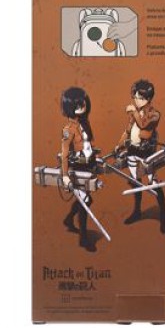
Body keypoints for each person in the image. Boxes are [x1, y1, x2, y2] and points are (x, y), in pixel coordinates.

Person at [115, 79, 165, 233]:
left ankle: (163, 216)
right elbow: (127, 131)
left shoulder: (154, 114)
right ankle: (137, 211)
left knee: (154, 183)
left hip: (147, 154)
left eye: (140, 98)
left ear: (148, 98)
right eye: (135, 97)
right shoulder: (135, 114)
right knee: (135, 182)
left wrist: (133, 112)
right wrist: (119, 144)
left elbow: (143, 125)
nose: (137, 101)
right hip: (132, 151)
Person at [60, 86, 97, 252]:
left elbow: (88, 144)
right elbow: (65, 154)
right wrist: (65, 176)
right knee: (85, 201)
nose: (83, 107)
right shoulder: (68, 130)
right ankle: (83, 238)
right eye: (78, 105)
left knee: (85, 199)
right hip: (77, 167)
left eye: (83, 104)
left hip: (87, 164)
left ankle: (69, 219)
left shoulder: (83, 123)